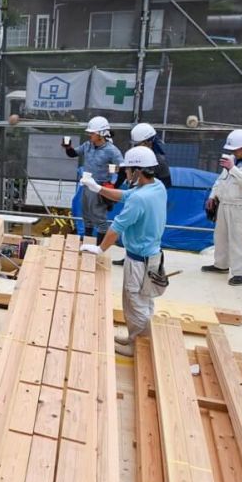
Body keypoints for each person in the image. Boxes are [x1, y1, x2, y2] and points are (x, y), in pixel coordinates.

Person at [79, 146, 168, 355]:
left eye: (128, 170)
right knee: (145, 301)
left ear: (137, 171)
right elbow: (125, 195)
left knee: (134, 303)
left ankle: (139, 347)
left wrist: (100, 249)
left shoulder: (140, 199)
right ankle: (135, 338)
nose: (125, 174)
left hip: (138, 261)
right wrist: (98, 188)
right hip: (153, 257)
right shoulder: (157, 187)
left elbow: (116, 228)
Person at [202, 129, 242, 286]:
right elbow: (221, 180)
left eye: (235, 150)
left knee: (239, 239)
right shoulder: (232, 159)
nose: (233, 152)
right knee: (221, 236)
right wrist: (213, 195)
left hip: (241, 206)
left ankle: (240, 273)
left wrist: (233, 169)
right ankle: (221, 264)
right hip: (224, 203)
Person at [62, 116, 123, 242]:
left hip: (100, 188)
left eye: (92, 133)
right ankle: (87, 246)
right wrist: (68, 147)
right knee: (87, 216)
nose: (89, 135)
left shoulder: (112, 151)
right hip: (86, 185)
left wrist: (113, 188)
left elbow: (122, 169)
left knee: (99, 218)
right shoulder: (87, 145)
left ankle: (99, 250)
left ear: (101, 134)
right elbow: (73, 154)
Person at [121, 122, 172, 189]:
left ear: (149, 142)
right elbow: (130, 180)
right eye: (135, 144)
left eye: (138, 144)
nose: (136, 147)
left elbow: (166, 184)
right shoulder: (134, 156)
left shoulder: (160, 161)